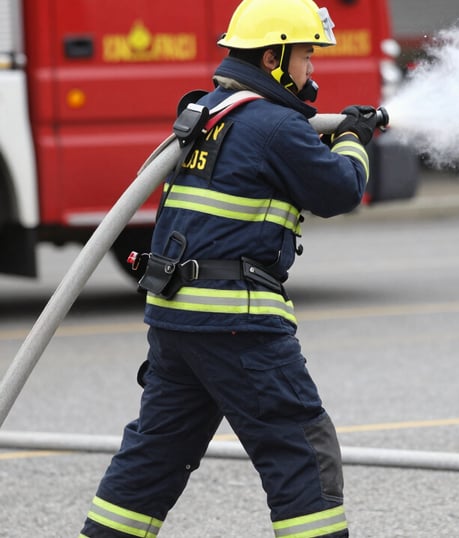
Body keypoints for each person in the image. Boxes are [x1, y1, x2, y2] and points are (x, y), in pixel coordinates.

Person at [79, 0, 378, 536]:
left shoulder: (208, 111)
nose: (312, 69)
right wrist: (354, 139)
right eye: (306, 56)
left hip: (176, 320)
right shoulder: (274, 124)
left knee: (156, 453)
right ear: (273, 58)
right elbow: (340, 190)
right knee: (299, 448)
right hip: (236, 321)